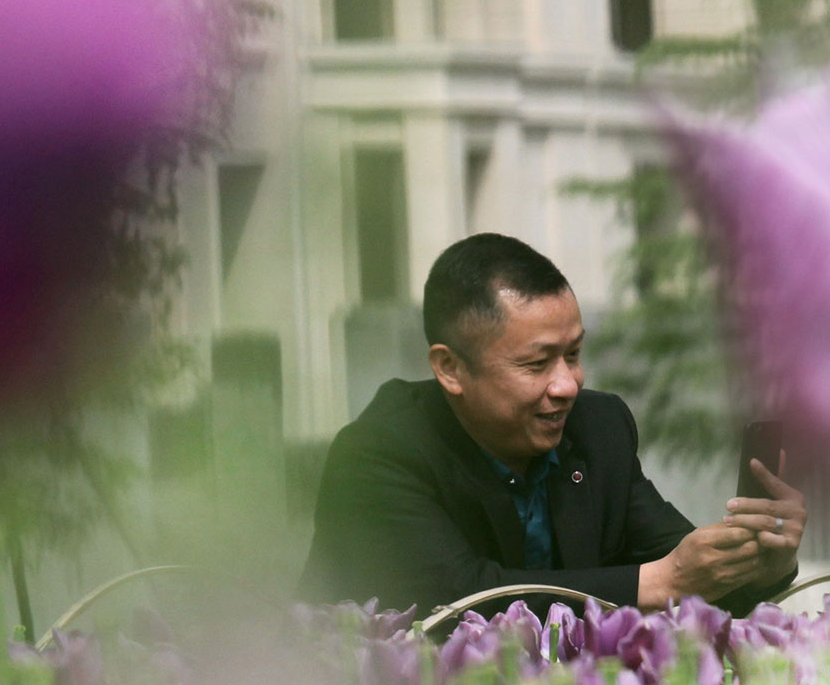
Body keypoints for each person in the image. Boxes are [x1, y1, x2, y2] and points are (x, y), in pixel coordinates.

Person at [301, 233, 804, 615]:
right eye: (537, 364)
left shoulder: (597, 427)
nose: (567, 385)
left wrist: (760, 563)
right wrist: (662, 581)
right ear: (450, 369)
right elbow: (457, 602)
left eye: (574, 353)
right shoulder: (378, 453)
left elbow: (681, 564)